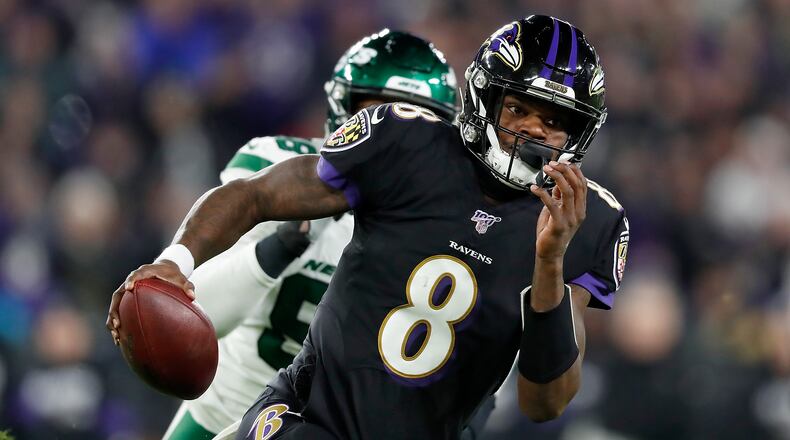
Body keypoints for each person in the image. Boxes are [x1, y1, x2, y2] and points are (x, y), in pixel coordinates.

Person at [108, 15, 629, 440]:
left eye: (556, 120)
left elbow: (547, 400)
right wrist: (173, 262)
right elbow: (257, 194)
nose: (535, 131)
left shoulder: (589, 222)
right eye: (519, 109)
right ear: (486, 99)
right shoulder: (406, 143)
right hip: (303, 417)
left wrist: (550, 261)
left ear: (580, 133)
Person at [159, 30, 462, 439]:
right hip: (223, 411)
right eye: (377, 114)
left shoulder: (454, 220)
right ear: (343, 109)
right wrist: (275, 250)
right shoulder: (279, 168)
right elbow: (197, 310)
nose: (391, 137)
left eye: (414, 122)